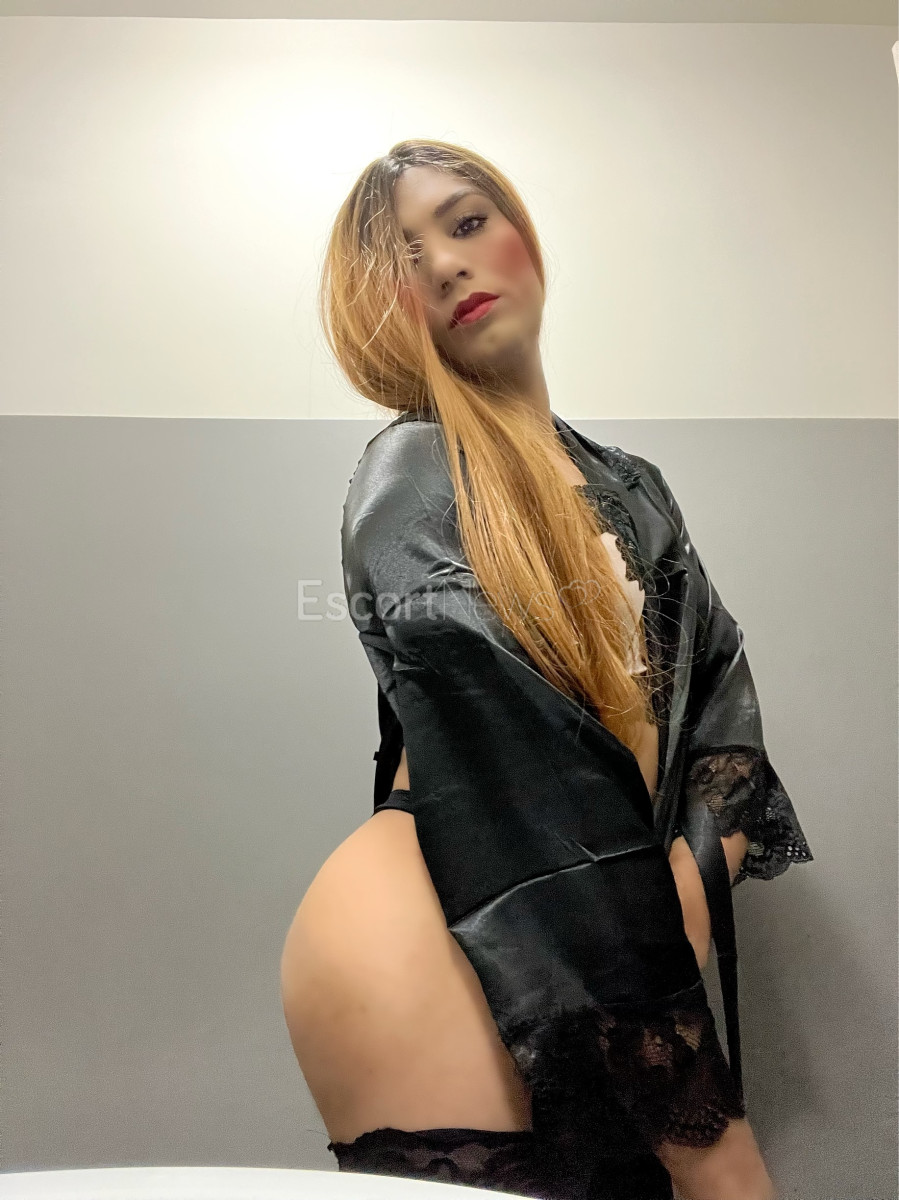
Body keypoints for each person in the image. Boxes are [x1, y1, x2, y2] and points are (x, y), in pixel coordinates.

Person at [279, 140, 814, 1200]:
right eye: (404, 257)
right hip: (441, 929)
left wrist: (682, 901)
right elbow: (520, 768)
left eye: (466, 221)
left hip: (621, 921)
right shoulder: (412, 473)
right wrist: (689, 1101)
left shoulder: (632, 486)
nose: (445, 264)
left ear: (522, 234)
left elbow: (720, 709)